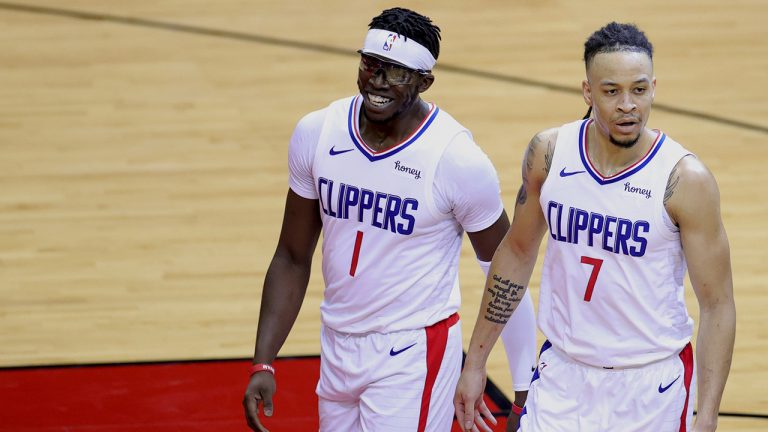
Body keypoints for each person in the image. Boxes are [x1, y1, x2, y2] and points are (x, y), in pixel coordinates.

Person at [242, 7, 536, 432]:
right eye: (371, 64)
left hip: (412, 352)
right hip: (338, 344)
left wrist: (523, 386)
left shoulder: (456, 159)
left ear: (424, 81)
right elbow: (291, 255)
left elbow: (508, 270)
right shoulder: (318, 132)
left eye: (396, 72)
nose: (377, 80)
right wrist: (263, 362)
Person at [455, 22, 735, 432]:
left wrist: (707, 416)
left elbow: (718, 305)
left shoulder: (685, 179)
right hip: (563, 374)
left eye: (639, 90)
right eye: (611, 91)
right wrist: (476, 360)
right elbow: (516, 253)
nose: (628, 105)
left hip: (649, 384)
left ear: (654, 88)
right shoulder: (549, 154)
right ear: (588, 92)